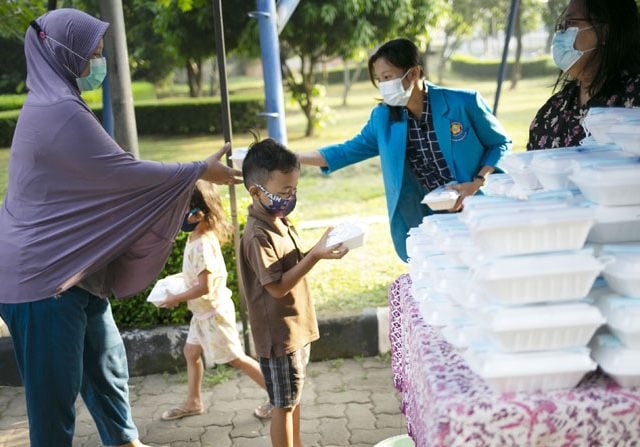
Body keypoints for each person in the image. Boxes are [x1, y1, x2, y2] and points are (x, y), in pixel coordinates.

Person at [0, 9, 241, 447]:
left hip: (78, 270)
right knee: (53, 405)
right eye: (92, 54)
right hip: (42, 279)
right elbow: (124, 175)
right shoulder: (58, 112)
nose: (98, 62)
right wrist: (196, 170)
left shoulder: (61, 102)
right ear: (64, 55)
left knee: (107, 367)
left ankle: (126, 443)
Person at [297, 38, 511, 261]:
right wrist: (293, 156)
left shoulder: (463, 102)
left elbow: (500, 143)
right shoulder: (383, 118)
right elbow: (345, 151)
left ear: (414, 73)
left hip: (478, 206)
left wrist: (477, 182)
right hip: (430, 219)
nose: (383, 85)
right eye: (379, 79)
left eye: (388, 77)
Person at [238, 139, 348, 447]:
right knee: (282, 406)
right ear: (256, 192)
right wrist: (315, 256)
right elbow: (276, 286)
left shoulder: (278, 220)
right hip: (279, 337)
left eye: (294, 190)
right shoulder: (258, 235)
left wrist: (321, 246)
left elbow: (293, 263)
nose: (290, 198)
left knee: (293, 399)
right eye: (284, 192)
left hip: (294, 330)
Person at [158, 180, 272, 420]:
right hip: (202, 314)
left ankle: (278, 398)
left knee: (235, 358)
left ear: (198, 214)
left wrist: (175, 298)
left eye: (181, 209)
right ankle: (193, 402)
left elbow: (205, 286)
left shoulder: (202, 244)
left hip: (214, 315)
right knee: (191, 352)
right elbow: (198, 276)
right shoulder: (196, 238)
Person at [527, 0, 640, 150]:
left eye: (571, 22)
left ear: (605, 31)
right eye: (562, 25)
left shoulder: (634, 95)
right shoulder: (551, 111)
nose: (561, 33)